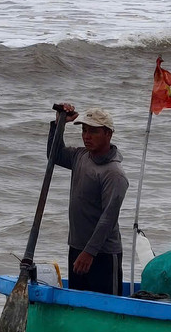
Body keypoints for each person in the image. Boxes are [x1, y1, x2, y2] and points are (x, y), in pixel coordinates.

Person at [47, 103, 129, 295]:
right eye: (84, 130)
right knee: (78, 307)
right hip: (77, 248)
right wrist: (58, 125)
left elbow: (108, 219)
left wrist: (90, 252)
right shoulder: (81, 156)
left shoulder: (114, 173)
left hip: (103, 254)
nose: (86, 136)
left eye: (93, 131)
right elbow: (54, 155)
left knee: (106, 311)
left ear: (108, 134)